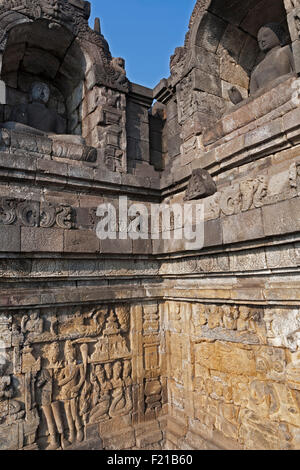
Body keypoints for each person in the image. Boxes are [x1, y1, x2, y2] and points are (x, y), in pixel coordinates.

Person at [229, 23, 295, 104]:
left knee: (278, 82)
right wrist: (240, 101)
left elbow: (296, 72)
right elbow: (253, 97)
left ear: (279, 35)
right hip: (262, 99)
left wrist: (283, 80)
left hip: (283, 87)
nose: (262, 41)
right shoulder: (256, 69)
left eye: (266, 35)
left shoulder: (287, 50)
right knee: (227, 113)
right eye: (259, 40)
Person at [2, 81, 84, 145]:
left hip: (51, 137)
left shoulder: (54, 114)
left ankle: (44, 138)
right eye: (38, 89)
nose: (42, 93)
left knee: (79, 141)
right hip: (28, 132)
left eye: (46, 91)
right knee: (9, 126)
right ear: (30, 93)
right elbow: (14, 124)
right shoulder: (22, 107)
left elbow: (61, 133)